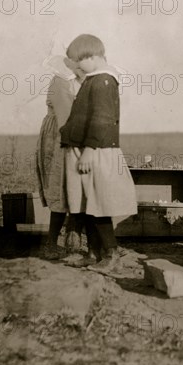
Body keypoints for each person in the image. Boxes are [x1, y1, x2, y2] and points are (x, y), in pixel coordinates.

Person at [60, 34, 137, 274]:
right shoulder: (93, 79)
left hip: (96, 151)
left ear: (91, 57)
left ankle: (110, 253)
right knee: (86, 204)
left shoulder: (103, 80)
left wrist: (90, 150)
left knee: (99, 204)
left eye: (78, 61)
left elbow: (102, 120)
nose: (76, 66)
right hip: (84, 149)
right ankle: (94, 253)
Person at [35, 55, 85, 259]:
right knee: (61, 185)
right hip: (60, 135)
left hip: (72, 133)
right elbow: (66, 113)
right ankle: (52, 242)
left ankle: (73, 239)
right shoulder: (61, 80)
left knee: (76, 186)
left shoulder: (82, 79)